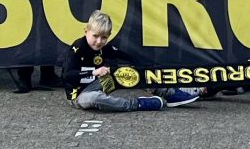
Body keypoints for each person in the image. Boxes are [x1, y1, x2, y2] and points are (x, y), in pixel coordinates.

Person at [68, 10, 200, 112]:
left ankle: (167, 93)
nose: (98, 41)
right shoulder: (77, 48)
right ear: (86, 31)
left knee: (128, 71)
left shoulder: (104, 48)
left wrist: (142, 66)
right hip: (79, 95)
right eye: (95, 36)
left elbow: (127, 57)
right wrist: (94, 72)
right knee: (95, 98)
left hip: (99, 84)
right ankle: (138, 103)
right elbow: (67, 76)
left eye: (104, 38)